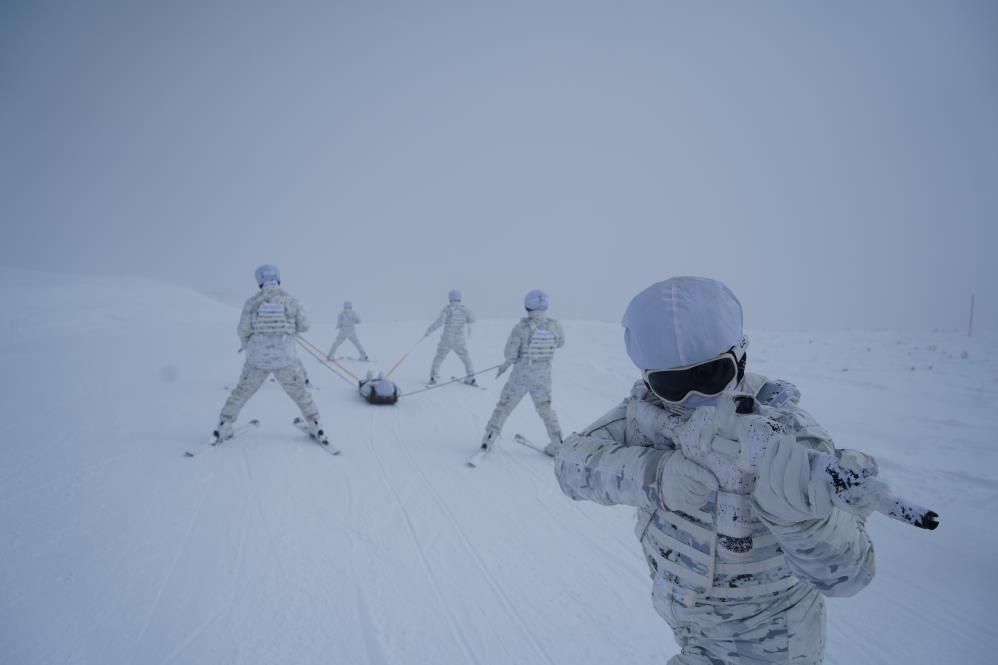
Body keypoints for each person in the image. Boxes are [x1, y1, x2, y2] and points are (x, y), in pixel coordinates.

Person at [552, 277, 876, 665]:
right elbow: (569, 464)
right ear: (649, 380)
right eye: (672, 384)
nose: (693, 399)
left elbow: (851, 575)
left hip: (770, 642)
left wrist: (802, 520)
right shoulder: (646, 415)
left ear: (740, 357)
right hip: (689, 621)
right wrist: (655, 475)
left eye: (709, 376)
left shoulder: (788, 432)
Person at [213, 265, 328, 444]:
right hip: (285, 358)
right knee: (300, 393)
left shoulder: (252, 302)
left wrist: (247, 343)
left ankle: (224, 426)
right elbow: (305, 325)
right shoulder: (290, 300)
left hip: (257, 359)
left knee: (241, 392)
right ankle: (316, 426)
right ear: (278, 278)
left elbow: (242, 330)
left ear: (259, 280)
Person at [480, 289, 564, 455]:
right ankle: (558, 443)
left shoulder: (521, 328)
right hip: (543, 377)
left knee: (504, 406)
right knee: (546, 410)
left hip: (521, 375)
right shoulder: (555, 326)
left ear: (527, 307)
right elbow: (560, 343)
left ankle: (489, 439)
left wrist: (509, 362)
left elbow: (510, 354)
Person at [425, 289, 476, 385]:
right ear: (460, 298)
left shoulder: (448, 309)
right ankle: (471, 377)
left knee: (439, 357)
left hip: (447, 339)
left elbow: (440, 322)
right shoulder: (465, 309)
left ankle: (433, 377)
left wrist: (429, 331)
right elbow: (472, 319)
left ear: (450, 298)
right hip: (459, 340)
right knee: (465, 358)